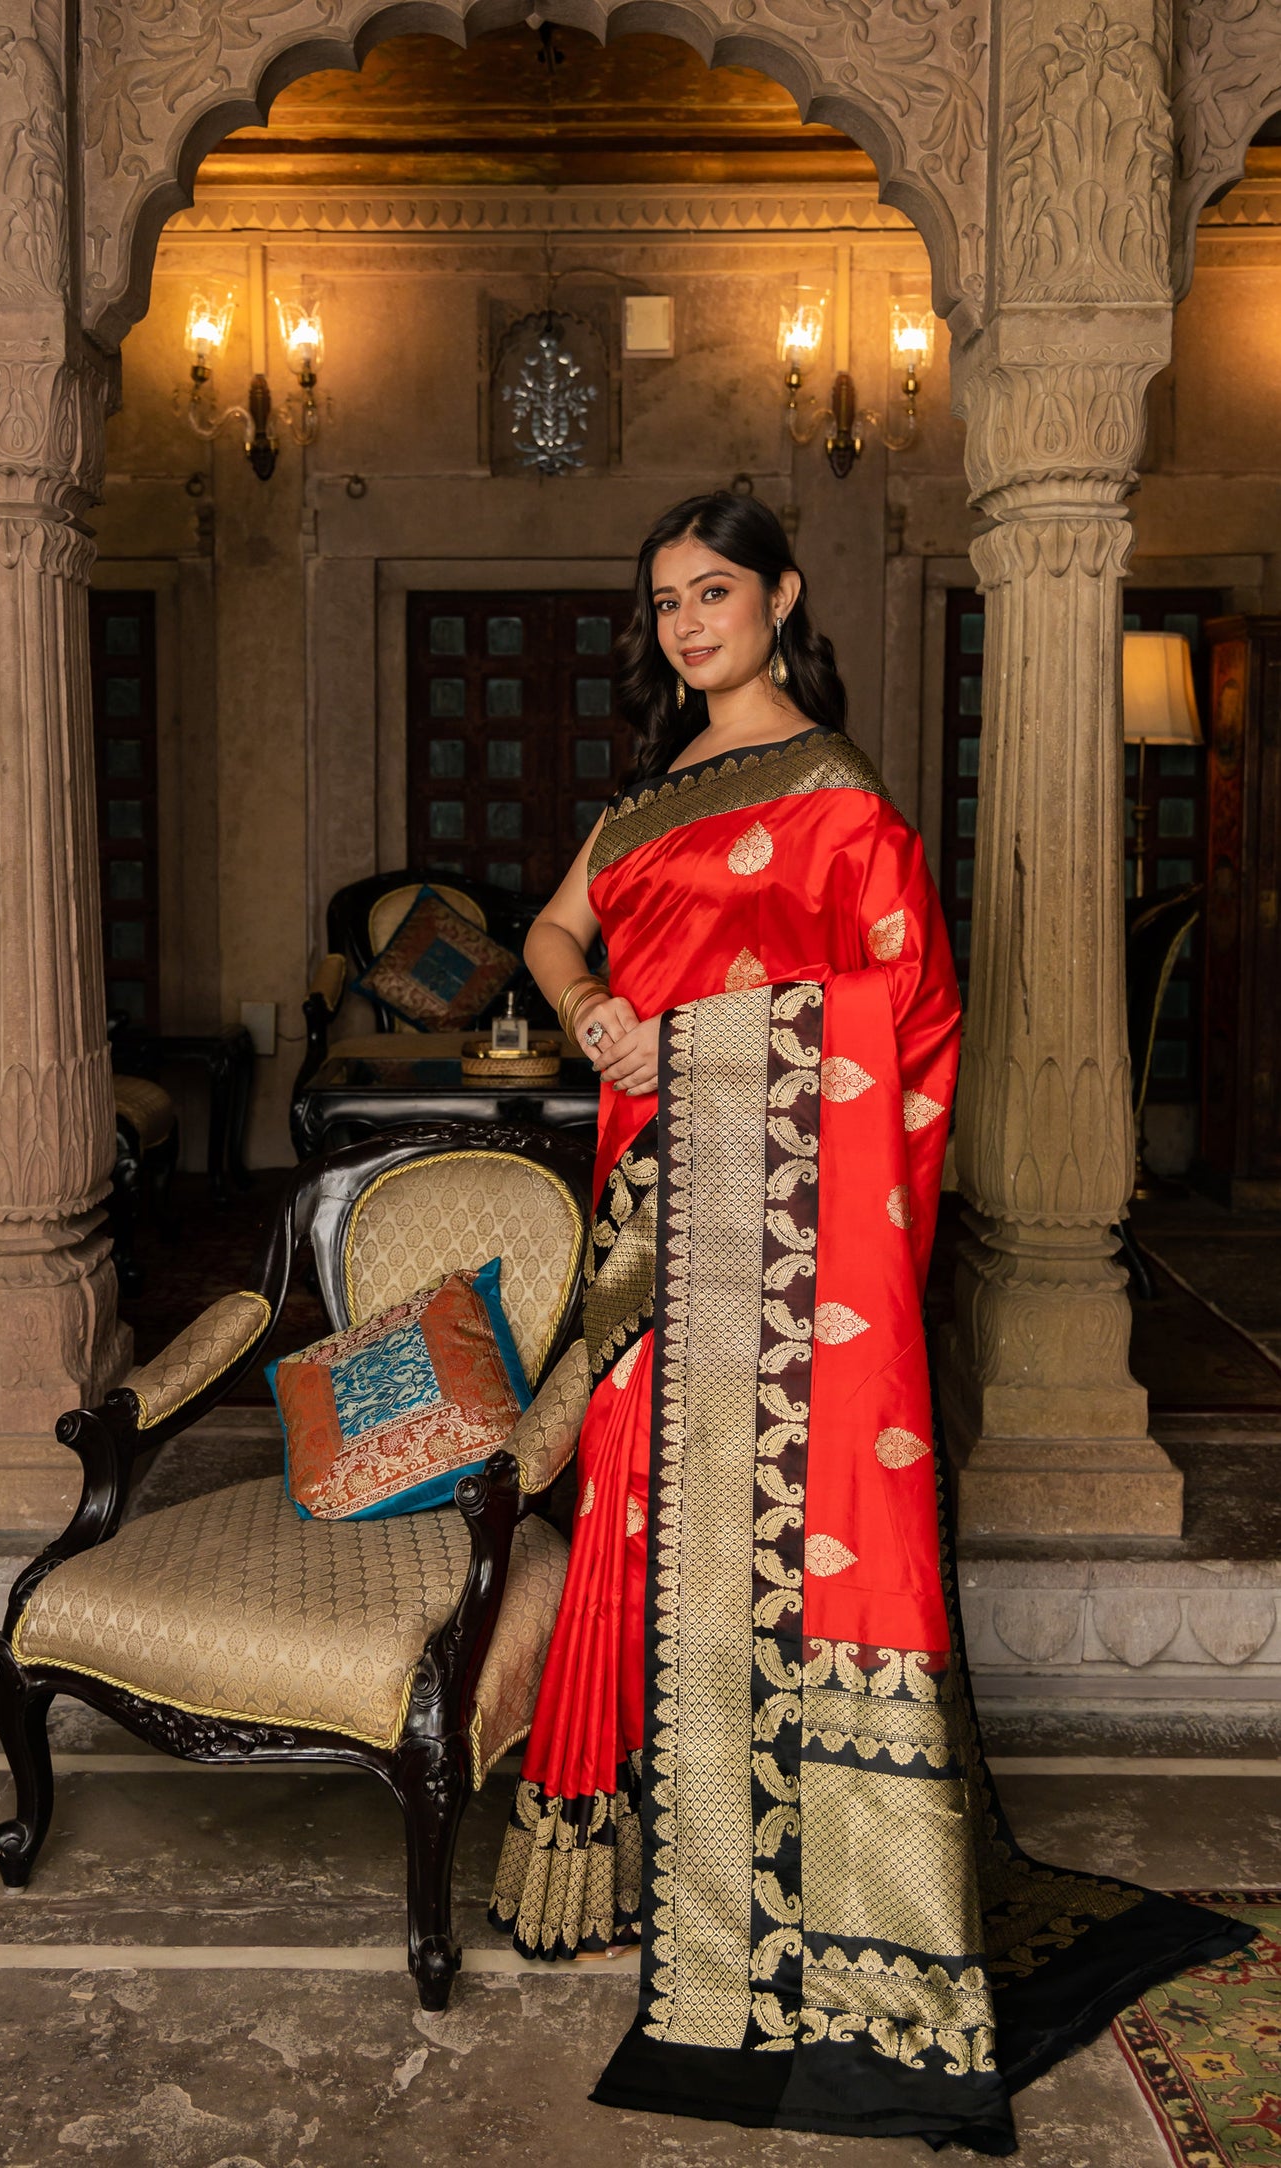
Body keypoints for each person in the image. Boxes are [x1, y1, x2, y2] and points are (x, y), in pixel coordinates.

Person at [488, 490, 1254, 2154]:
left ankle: (811, 1886)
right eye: (664, 601)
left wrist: (677, 1036)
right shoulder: (637, 805)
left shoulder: (835, 800)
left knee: (811, 1536)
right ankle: (635, 1854)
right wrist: (592, 1006)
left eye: (713, 592)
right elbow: (551, 928)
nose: (687, 623)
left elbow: (901, 1019)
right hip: (655, 1227)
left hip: (787, 1258)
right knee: (629, 1512)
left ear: (778, 597)